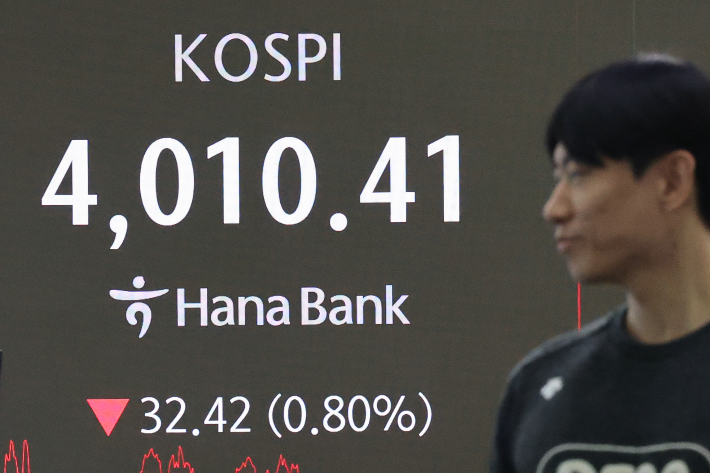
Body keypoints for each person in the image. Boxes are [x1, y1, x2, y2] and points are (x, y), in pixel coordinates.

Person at [490, 54, 710, 473]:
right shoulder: (539, 385)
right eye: (557, 178)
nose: (554, 209)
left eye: (578, 174)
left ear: (673, 181)